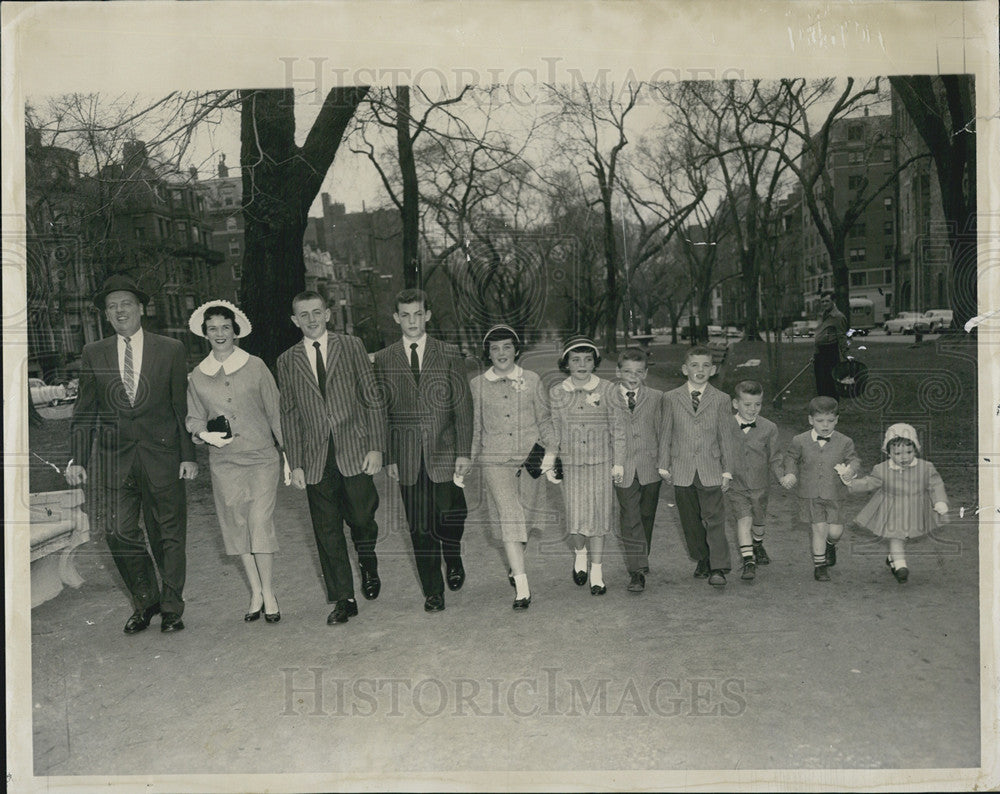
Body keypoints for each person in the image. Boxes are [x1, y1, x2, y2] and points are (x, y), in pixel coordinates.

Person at [66, 274, 197, 634]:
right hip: (115, 462)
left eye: (126, 304)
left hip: (164, 457)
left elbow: (178, 406)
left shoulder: (169, 349)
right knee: (118, 533)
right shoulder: (95, 353)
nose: (119, 310)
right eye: (112, 307)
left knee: (168, 535)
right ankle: (146, 601)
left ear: (141, 308)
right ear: (106, 316)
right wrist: (78, 459)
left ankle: (171, 607)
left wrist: (187, 456)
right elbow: (85, 411)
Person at [276, 291, 385, 625]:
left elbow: (372, 397)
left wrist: (376, 446)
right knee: (326, 530)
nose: (311, 319)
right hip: (315, 457)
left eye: (316, 312)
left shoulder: (351, 346)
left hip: (354, 448)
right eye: (303, 314)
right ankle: (343, 597)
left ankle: (367, 561)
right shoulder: (286, 360)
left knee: (362, 520)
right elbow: (290, 414)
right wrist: (294, 462)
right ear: (294, 320)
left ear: (327, 314)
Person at [372, 289, 473, 613]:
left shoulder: (449, 353)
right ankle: (433, 590)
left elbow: (463, 407)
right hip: (407, 457)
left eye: (418, 314)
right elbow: (382, 411)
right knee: (419, 527)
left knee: (450, 515)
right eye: (405, 315)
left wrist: (463, 451)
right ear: (396, 318)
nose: (412, 321)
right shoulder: (386, 358)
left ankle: (453, 554)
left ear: (427, 315)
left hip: (444, 451)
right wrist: (389, 457)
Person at [185, 301, 284, 623]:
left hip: (261, 458)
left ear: (235, 330)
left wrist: (289, 454)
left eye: (225, 327)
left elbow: (276, 410)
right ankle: (255, 591)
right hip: (225, 463)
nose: (219, 333)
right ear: (205, 333)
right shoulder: (198, 376)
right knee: (237, 524)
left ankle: (269, 592)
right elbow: (194, 418)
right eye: (212, 328)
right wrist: (203, 435)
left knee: (259, 522)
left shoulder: (256, 366)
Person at [469, 325, 554, 610]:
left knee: (526, 519)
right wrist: (468, 459)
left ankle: (514, 559)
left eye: (506, 347)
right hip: (494, 459)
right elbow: (475, 427)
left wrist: (551, 452)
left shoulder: (531, 379)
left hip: (530, 457)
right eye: (495, 348)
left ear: (516, 350)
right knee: (510, 515)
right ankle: (522, 587)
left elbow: (544, 419)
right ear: (488, 354)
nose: (501, 353)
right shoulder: (477, 385)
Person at [544, 336, 625, 596]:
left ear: (595, 363)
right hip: (572, 464)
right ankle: (580, 554)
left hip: (601, 462)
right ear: (566, 363)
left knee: (599, 518)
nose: (582, 365)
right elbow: (555, 428)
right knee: (576, 519)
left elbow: (618, 428)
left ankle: (597, 571)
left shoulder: (609, 389)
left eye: (588, 359)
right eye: (575, 360)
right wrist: (551, 459)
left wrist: (619, 462)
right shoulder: (557, 392)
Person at [658, 345, 735, 587]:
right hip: (682, 469)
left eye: (705, 366)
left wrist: (727, 470)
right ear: (684, 369)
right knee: (690, 520)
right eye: (694, 365)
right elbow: (666, 433)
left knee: (714, 519)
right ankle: (702, 558)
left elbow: (726, 437)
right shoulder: (670, 398)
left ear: (713, 370)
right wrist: (663, 464)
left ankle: (719, 567)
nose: (699, 370)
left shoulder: (722, 399)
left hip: (710, 467)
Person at [841, 423, 949, 583]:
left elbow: (935, 484)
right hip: (892, 509)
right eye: (897, 453)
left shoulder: (926, 468)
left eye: (909, 452)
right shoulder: (882, 469)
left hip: (916, 508)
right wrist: (851, 483)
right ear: (888, 452)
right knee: (896, 536)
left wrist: (940, 501)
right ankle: (900, 566)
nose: (904, 457)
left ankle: (893, 556)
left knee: (907, 535)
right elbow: (869, 482)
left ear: (916, 449)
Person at [780, 396, 861, 581]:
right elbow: (791, 458)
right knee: (819, 528)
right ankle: (820, 566)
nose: (825, 425)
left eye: (830, 421)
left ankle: (830, 545)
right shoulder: (799, 440)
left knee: (835, 531)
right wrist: (791, 473)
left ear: (837, 420)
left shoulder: (845, 441)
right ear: (810, 420)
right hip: (810, 493)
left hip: (835, 493)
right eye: (820, 421)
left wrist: (851, 470)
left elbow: (853, 459)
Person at [610, 348, 666, 593]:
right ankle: (637, 570)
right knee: (630, 516)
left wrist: (664, 462)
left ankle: (642, 555)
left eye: (638, 372)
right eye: (627, 371)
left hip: (650, 465)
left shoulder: (656, 397)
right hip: (622, 466)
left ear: (646, 373)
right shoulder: (608, 396)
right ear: (618, 372)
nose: (632, 377)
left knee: (646, 515)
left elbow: (663, 433)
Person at [725, 380, 784, 581]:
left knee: (758, 521)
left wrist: (782, 475)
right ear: (735, 403)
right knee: (744, 519)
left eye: (757, 405)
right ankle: (748, 560)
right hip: (736, 485)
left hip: (760, 485)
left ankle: (757, 543)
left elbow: (775, 457)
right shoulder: (725, 426)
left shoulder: (769, 428)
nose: (752, 409)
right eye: (747, 405)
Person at [813, 290, 848, 399]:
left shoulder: (838, 317)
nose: (824, 304)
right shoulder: (822, 315)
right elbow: (819, 336)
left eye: (827, 301)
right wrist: (815, 354)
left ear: (833, 301)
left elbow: (842, 337)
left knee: (830, 384)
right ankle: (823, 407)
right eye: (822, 302)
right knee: (820, 383)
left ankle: (833, 408)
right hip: (820, 353)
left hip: (831, 353)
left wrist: (845, 358)